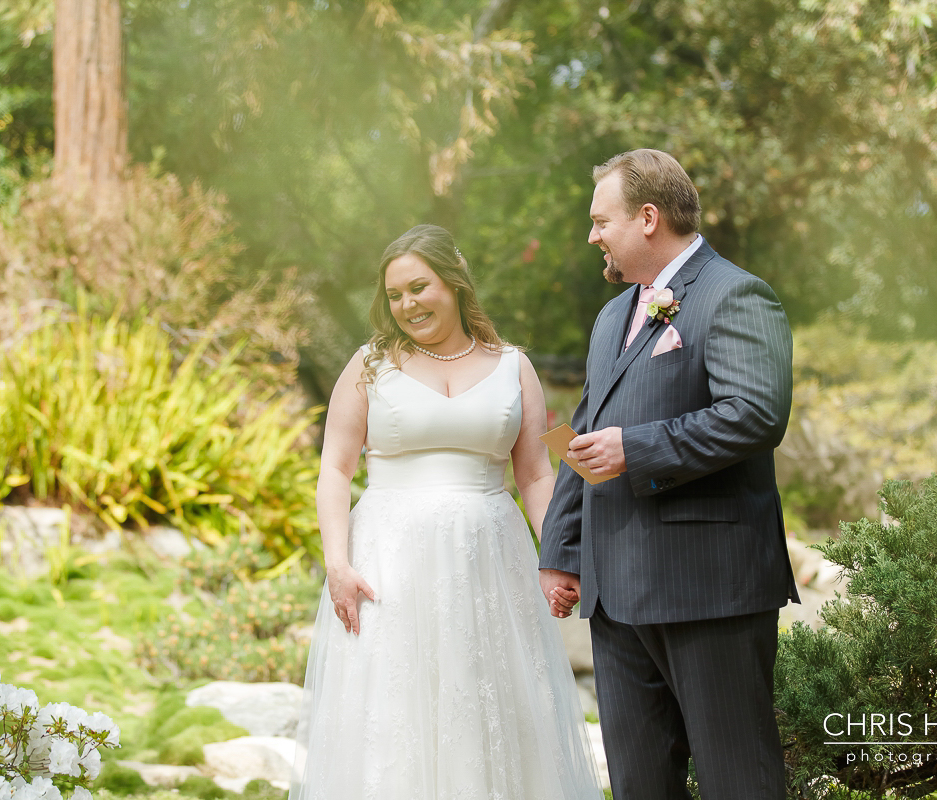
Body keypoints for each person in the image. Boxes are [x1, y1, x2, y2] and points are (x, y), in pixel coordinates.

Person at [289, 224, 601, 800]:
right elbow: (333, 470)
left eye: (418, 287)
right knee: (395, 713)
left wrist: (560, 555)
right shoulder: (369, 365)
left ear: (454, 282)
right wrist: (337, 563)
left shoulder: (515, 366)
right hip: (389, 563)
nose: (406, 304)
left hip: (489, 564)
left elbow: (535, 474)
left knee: (492, 708)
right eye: (395, 295)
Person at [538, 149, 800, 800]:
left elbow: (755, 415)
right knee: (638, 785)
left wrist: (639, 448)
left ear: (648, 217)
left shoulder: (735, 294)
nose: (592, 234)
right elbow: (584, 433)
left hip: (707, 585)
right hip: (614, 594)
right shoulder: (609, 319)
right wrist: (560, 552)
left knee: (737, 779)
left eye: (601, 220)